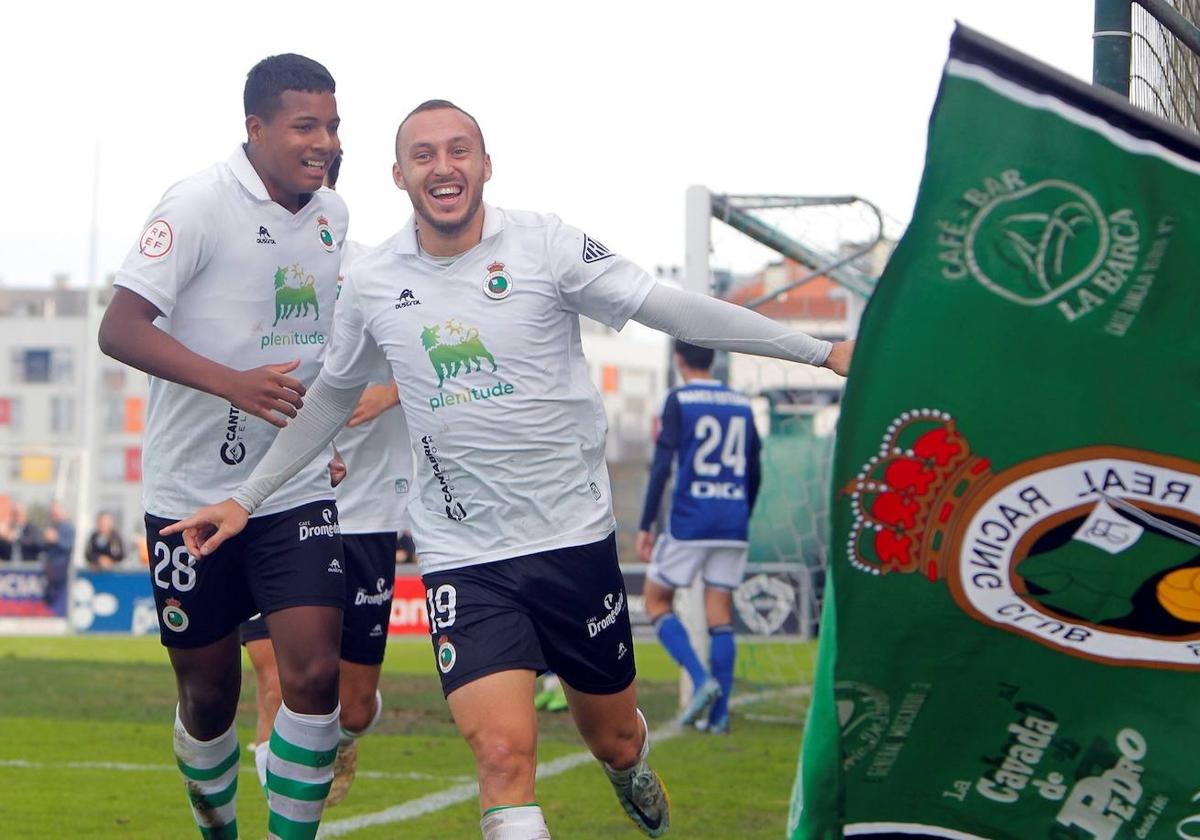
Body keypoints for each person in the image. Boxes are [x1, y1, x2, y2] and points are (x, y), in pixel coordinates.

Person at [163, 99, 853, 839]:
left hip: (572, 541)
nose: (443, 166)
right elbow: (329, 399)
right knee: (500, 757)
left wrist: (820, 352)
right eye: (423, 155)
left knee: (613, 737)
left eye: (459, 150)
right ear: (399, 175)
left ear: (486, 166)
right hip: (465, 557)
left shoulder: (547, 246)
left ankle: (630, 766)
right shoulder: (373, 282)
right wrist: (246, 498)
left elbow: (672, 309)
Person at [97, 53, 348, 840]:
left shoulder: (335, 214)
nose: (325, 142)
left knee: (312, 672)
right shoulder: (198, 202)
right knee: (209, 695)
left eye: (334, 125)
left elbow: (326, 342)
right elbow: (119, 328)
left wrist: (325, 433)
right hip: (187, 495)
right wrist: (230, 382)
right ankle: (218, 827)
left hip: (288, 486)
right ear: (257, 128)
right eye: (306, 125)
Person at [239, 150, 415, 808]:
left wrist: (386, 396)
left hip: (365, 507)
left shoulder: (375, 273)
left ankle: (344, 734)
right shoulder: (246, 275)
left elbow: (433, 359)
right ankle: (285, 818)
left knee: (354, 704)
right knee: (276, 680)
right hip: (278, 501)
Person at [636, 341, 762, 735]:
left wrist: (646, 524)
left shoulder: (678, 400)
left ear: (678, 359)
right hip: (733, 519)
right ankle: (720, 717)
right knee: (720, 616)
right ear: (714, 358)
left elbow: (661, 467)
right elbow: (756, 467)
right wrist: (744, 511)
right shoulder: (741, 403)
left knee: (656, 600)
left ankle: (699, 678)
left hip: (691, 518)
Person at [41, 501, 75, 610]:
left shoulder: (68, 528)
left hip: (63, 569)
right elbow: (42, 548)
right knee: (49, 595)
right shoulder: (50, 527)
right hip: (50, 569)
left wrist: (56, 539)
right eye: (52, 514)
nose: (54, 516)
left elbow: (69, 547)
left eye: (56, 513)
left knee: (61, 596)